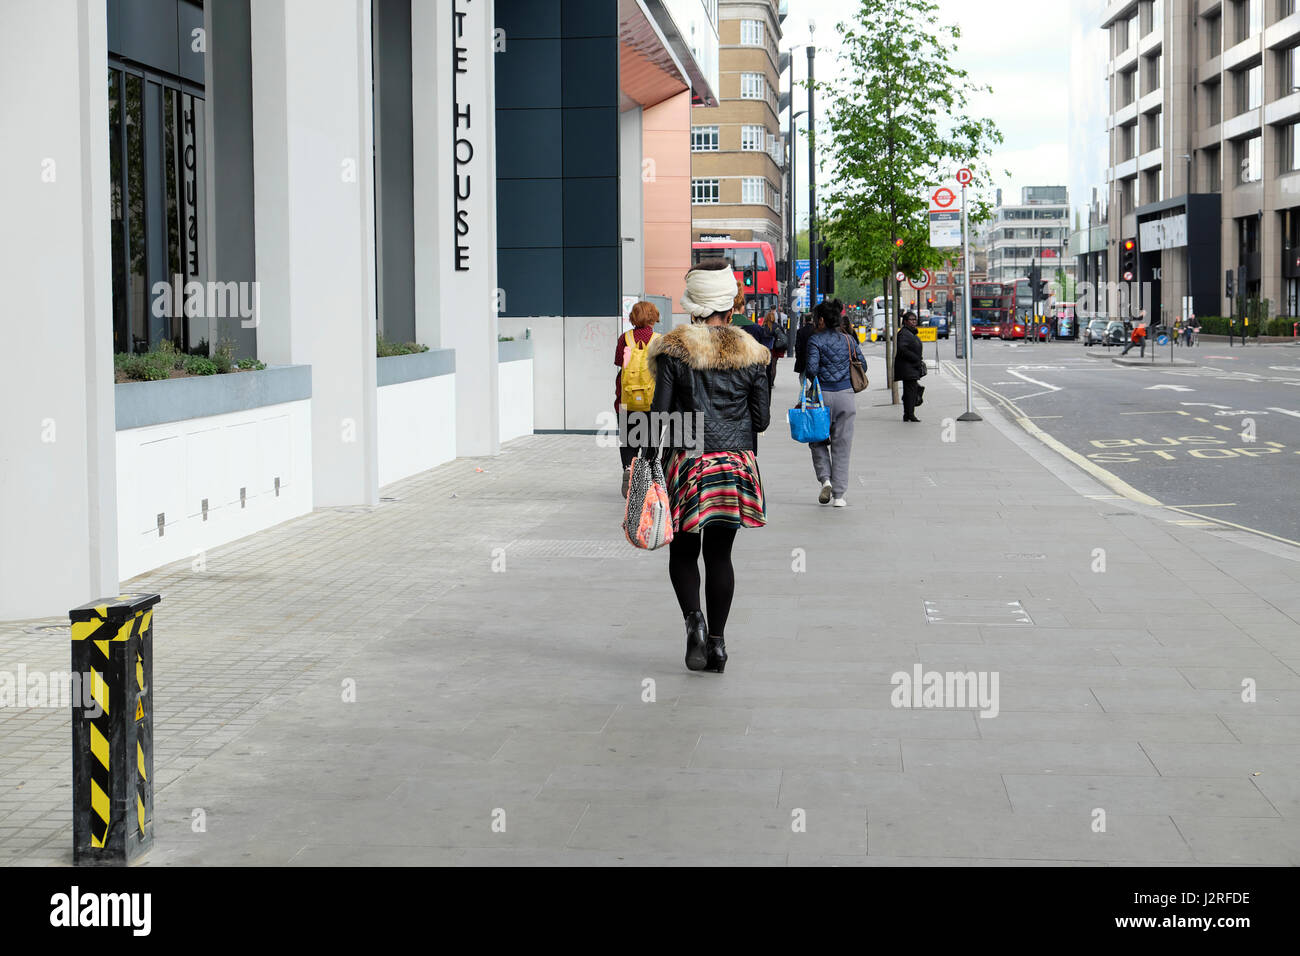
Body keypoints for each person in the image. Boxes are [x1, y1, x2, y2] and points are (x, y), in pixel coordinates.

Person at [648, 260, 771, 674]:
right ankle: (717, 646)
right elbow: (763, 420)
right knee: (721, 555)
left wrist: (644, 466)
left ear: (692, 307)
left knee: (684, 550)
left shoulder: (674, 350)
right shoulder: (754, 354)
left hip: (689, 460)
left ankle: (694, 623)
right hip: (736, 463)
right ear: (730, 307)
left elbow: (658, 417)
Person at [803, 299, 866, 507]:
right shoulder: (848, 340)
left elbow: (811, 370)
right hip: (846, 395)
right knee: (842, 444)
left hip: (822, 397)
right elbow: (862, 364)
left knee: (817, 439)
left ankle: (825, 479)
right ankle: (839, 495)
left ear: (821, 319)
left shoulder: (815, 341)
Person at [614, 300, 661, 497]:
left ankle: (628, 468)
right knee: (651, 440)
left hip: (627, 399)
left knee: (628, 440)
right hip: (651, 400)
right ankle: (647, 474)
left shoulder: (625, 339)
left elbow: (619, 363)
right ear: (653, 317)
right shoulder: (659, 340)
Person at [894, 311, 926, 423]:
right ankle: (910, 414)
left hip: (911, 367)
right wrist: (916, 358)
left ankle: (908, 414)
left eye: (915, 319)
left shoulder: (910, 333)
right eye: (911, 320)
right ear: (905, 321)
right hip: (907, 367)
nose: (914, 322)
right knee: (910, 392)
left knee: (910, 391)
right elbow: (902, 349)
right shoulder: (903, 333)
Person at [793, 314, 818, 378]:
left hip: (803, 356)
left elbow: (797, 345)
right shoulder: (816, 331)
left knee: (802, 376)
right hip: (814, 355)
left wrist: (797, 356)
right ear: (812, 320)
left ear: (804, 320)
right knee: (814, 376)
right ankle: (813, 387)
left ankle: (804, 387)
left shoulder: (800, 331)